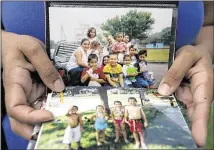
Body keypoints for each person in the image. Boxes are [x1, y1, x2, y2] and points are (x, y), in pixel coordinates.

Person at [1, 1, 212, 149]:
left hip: (176, 117)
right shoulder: (85, 53)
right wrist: (5, 45)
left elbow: (209, 21)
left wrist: (205, 51)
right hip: (33, 123)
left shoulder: (111, 56)